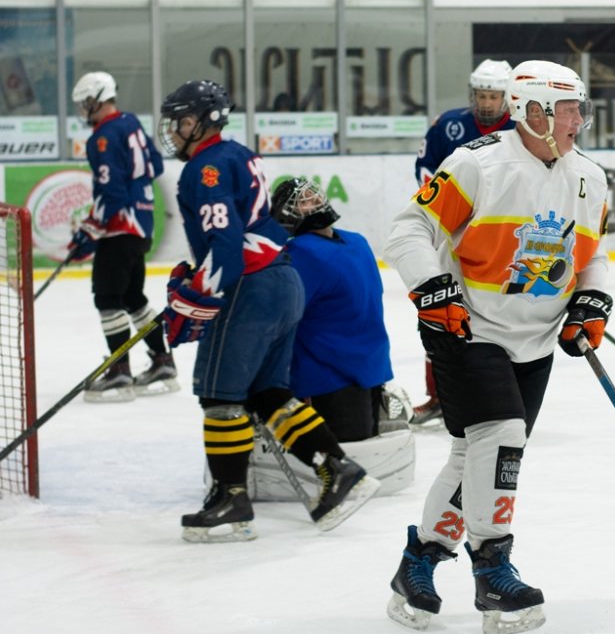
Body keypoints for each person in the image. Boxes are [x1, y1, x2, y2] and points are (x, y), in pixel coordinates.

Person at [384, 60, 612, 634]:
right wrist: (430, 287)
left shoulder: (590, 176)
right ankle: (492, 569)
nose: (578, 121)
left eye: (579, 110)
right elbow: (408, 229)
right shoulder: (475, 164)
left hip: (534, 337)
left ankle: (419, 562)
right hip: (466, 327)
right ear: (531, 112)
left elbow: (594, 254)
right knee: (503, 439)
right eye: (568, 110)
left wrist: (592, 299)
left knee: (478, 456)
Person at [157, 79, 378, 543]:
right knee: (267, 391)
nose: (173, 131)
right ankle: (337, 469)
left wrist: (197, 295)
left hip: (249, 288)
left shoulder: (205, 169)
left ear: (202, 122)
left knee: (219, 395)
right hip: (283, 278)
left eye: (181, 122)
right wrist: (199, 281)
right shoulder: (238, 154)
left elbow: (225, 248)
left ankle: (230, 500)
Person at [247, 177, 415, 496]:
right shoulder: (345, 243)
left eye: (313, 196)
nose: (313, 202)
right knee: (356, 450)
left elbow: (271, 316)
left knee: (345, 458)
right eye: (302, 201)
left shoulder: (316, 249)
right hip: (349, 374)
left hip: (343, 376)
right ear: (287, 215)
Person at [411, 59, 514, 426]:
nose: (486, 103)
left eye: (493, 96)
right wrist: (449, 214)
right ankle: (439, 396)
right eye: (481, 95)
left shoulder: (521, 129)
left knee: (496, 318)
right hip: (450, 235)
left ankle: (498, 397)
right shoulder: (449, 125)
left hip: (501, 240)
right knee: (440, 310)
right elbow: (426, 171)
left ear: (507, 97)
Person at [67, 71, 177, 403]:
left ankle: (119, 372)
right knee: (133, 297)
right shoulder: (131, 123)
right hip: (142, 226)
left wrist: (91, 228)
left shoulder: (102, 136)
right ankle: (163, 362)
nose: (82, 110)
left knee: (107, 298)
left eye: (84, 103)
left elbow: (110, 191)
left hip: (120, 228)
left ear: (96, 99)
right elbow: (155, 166)